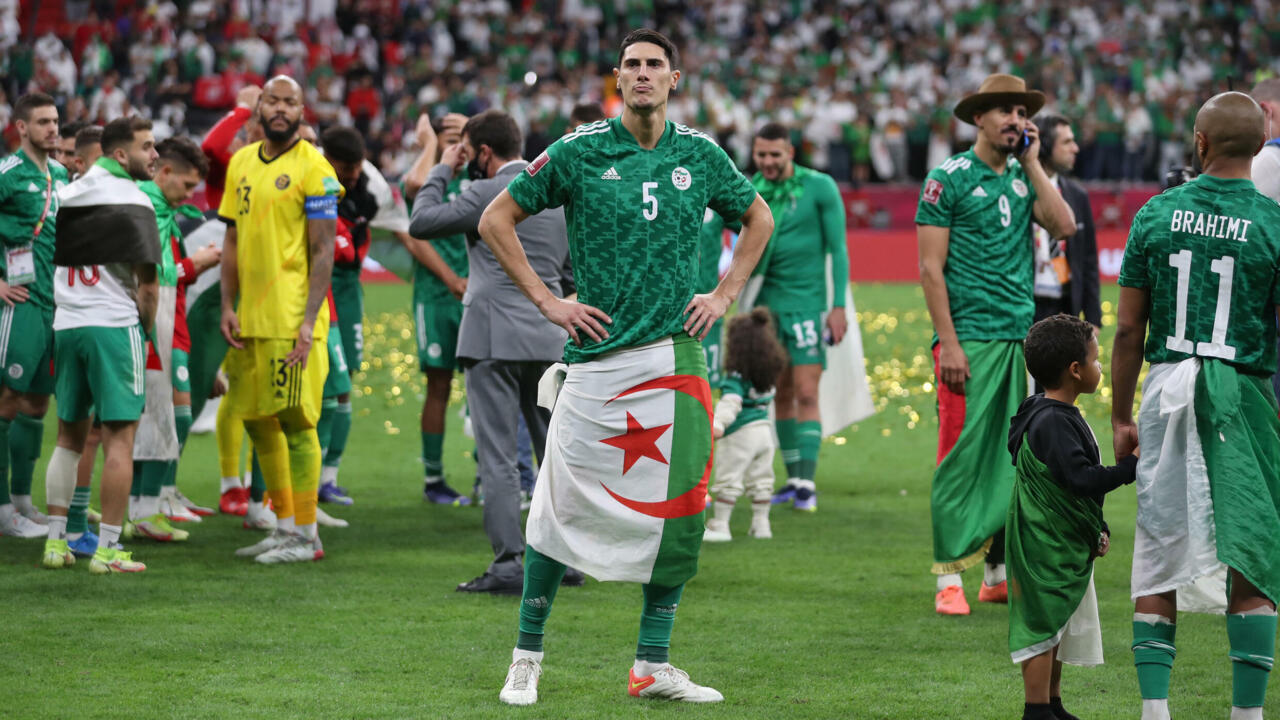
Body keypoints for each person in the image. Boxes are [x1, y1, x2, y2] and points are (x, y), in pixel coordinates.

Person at [479, 28, 773, 705]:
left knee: (685, 509)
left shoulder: (700, 154)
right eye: (632, 65)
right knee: (556, 508)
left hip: (675, 353)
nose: (643, 74)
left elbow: (757, 218)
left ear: (674, 79)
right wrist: (549, 302)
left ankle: (651, 665)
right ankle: (526, 657)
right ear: (618, 78)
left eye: (654, 65)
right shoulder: (579, 150)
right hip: (596, 361)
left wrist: (724, 294)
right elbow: (497, 218)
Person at [1112, 91, 1280, 720]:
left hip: (1168, 390)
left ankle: (1155, 711)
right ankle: (1247, 715)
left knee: (1160, 547)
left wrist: (1121, 416)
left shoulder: (1156, 213)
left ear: (1200, 143)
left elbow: (1127, 329)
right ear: (1261, 145)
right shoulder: (1273, 223)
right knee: (1254, 547)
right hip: (1245, 395)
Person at [916, 73, 1076, 616]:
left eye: (1021, 112)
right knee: (959, 456)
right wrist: (949, 343)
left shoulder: (1024, 178)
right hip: (968, 340)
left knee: (1015, 459)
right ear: (978, 119)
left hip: (1019, 340)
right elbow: (930, 269)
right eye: (1004, 111)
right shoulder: (947, 179)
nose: (1015, 120)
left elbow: (1065, 226)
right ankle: (948, 579)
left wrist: (1033, 163)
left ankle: (996, 574)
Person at [410, 108, 578, 594]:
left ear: (483, 152)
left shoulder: (485, 191)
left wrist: (443, 168)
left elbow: (421, 222)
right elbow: (569, 274)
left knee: (499, 457)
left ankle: (508, 563)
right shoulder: (556, 195)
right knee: (554, 454)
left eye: (468, 152)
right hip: (548, 336)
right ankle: (563, 560)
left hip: (491, 338)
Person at [218, 75, 340, 564]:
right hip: (249, 318)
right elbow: (231, 240)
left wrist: (308, 320)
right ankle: (284, 525)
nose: (281, 108)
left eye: (291, 102)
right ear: (260, 107)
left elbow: (324, 248)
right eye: (274, 100)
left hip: (292, 319)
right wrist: (228, 305)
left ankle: (307, 536)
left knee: (296, 422)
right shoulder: (241, 162)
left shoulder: (315, 167)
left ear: (301, 111)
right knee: (256, 421)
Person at [42, 115, 161, 573]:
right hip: (112, 325)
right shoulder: (134, 199)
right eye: (147, 146)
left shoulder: (68, 194)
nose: (154, 154)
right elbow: (147, 287)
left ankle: (56, 544)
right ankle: (109, 551)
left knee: (68, 438)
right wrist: (144, 330)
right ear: (120, 154)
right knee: (118, 441)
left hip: (67, 324)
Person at [1007, 314, 1136, 720]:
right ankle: (1036, 710)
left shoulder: (1041, 411)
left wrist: (1097, 526)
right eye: (1096, 360)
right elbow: (1080, 480)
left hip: (1054, 536)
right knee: (1044, 624)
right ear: (1076, 370)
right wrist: (1130, 468)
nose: (1100, 367)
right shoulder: (1053, 422)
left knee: (1057, 620)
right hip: (1045, 541)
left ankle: (1053, 704)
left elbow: (1067, 487)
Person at [747, 122, 850, 512]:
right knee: (781, 392)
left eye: (775, 154)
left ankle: (807, 482)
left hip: (809, 305)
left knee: (807, 392)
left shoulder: (820, 186)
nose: (768, 162)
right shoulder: (749, 189)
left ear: (790, 152)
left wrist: (837, 306)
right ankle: (792, 479)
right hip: (764, 309)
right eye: (761, 154)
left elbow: (838, 249)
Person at [316, 124, 416, 506]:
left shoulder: (371, 187)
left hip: (346, 289)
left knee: (345, 379)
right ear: (327, 159)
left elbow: (403, 231)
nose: (354, 175)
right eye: (347, 169)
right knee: (321, 383)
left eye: (358, 167)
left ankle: (326, 478)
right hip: (313, 287)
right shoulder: (309, 181)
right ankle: (291, 482)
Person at [128, 137, 218, 541]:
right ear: (164, 172)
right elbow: (151, 275)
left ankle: (149, 503)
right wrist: (193, 265)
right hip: (155, 322)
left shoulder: (163, 209)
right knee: (162, 416)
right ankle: (145, 506)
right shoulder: (146, 207)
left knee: (170, 415)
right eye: (186, 185)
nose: (190, 196)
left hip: (172, 321)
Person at [0, 92, 68, 539]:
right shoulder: (7, 172)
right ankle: (2, 509)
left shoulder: (59, 174)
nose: (53, 129)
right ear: (21, 127)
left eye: (55, 121)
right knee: (7, 397)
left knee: (37, 403)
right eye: (43, 122)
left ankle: (22, 499)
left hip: (54, 302)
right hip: (19, 301)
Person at [400, 113, 473, 505]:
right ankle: (433, 479)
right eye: (450, 139)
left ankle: (487, 475)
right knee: (439, 385)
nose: (458, 146)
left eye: (464, 138)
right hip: (436, 296)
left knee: (485, 387)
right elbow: (413, 232)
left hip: (478, 295)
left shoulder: (479, 177)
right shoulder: (428, 178)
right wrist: (431, 145)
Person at [703, 308, 787, 542]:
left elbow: (732, 401)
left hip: (740, 433)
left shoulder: (736, 376)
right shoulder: (768, 375)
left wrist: (719, 423)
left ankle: (721, 524)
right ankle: (761, 524)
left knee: (729, 479)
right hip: (764, 433)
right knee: (762, 480)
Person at [1030, 115, 1101, 331]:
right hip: (1026, 304)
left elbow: (1089, 260)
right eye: (1067, 142)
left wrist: (1093, 317)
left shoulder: (1077, 195)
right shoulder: (1018, 188)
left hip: (1065, 304)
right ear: (1044, 146)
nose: (1075, 148)